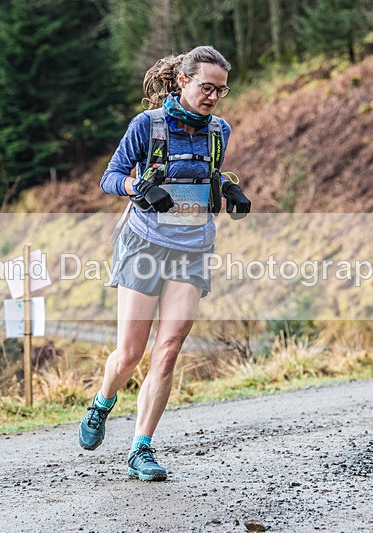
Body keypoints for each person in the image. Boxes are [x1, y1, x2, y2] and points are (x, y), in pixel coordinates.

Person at [79, 45, 251, 482]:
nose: (213, 97)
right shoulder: (148, 125)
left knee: (169, 348)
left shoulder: (219, 131)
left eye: (221, 90)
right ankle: (102, 401)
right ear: (183, 81)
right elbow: (110, 177)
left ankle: (141, 448)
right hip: (145, 245)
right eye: (206, 87)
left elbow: (206, 173)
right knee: (130, 354)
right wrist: (138, 187)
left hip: (192, 249)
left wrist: (227, 189)